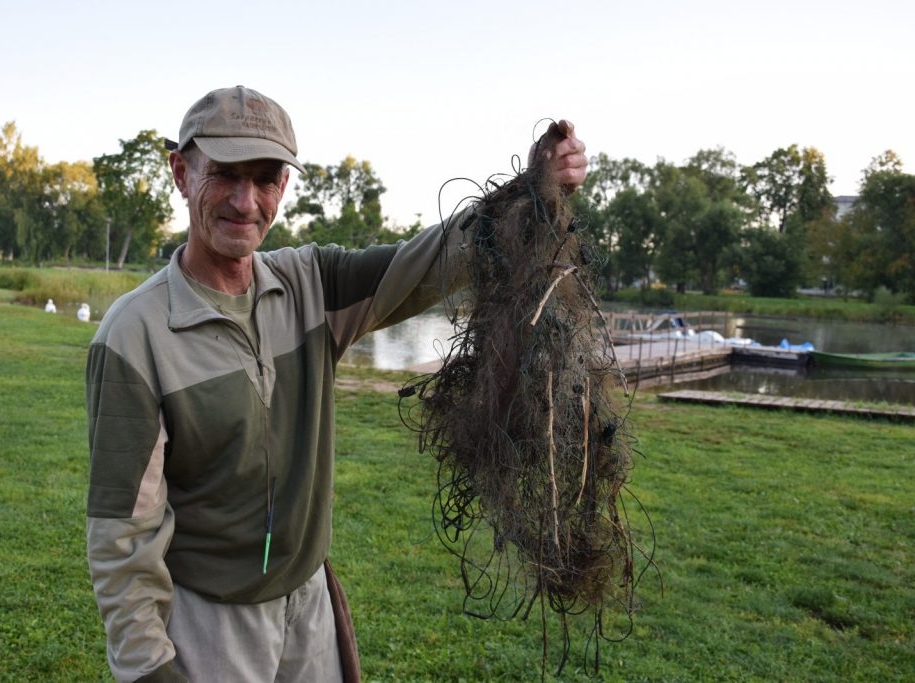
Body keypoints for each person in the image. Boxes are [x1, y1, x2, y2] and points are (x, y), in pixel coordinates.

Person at [85, 85, 588, 683]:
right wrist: (147, 667)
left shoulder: (310, 287)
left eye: (266, 177)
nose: (246, 202)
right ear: (181, 171)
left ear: (284, 187)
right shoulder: (135, 335)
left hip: (310, 606)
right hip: (212, 624)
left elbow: (427, 264)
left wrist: (530, 193)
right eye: (224, 174)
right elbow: (122, 535)